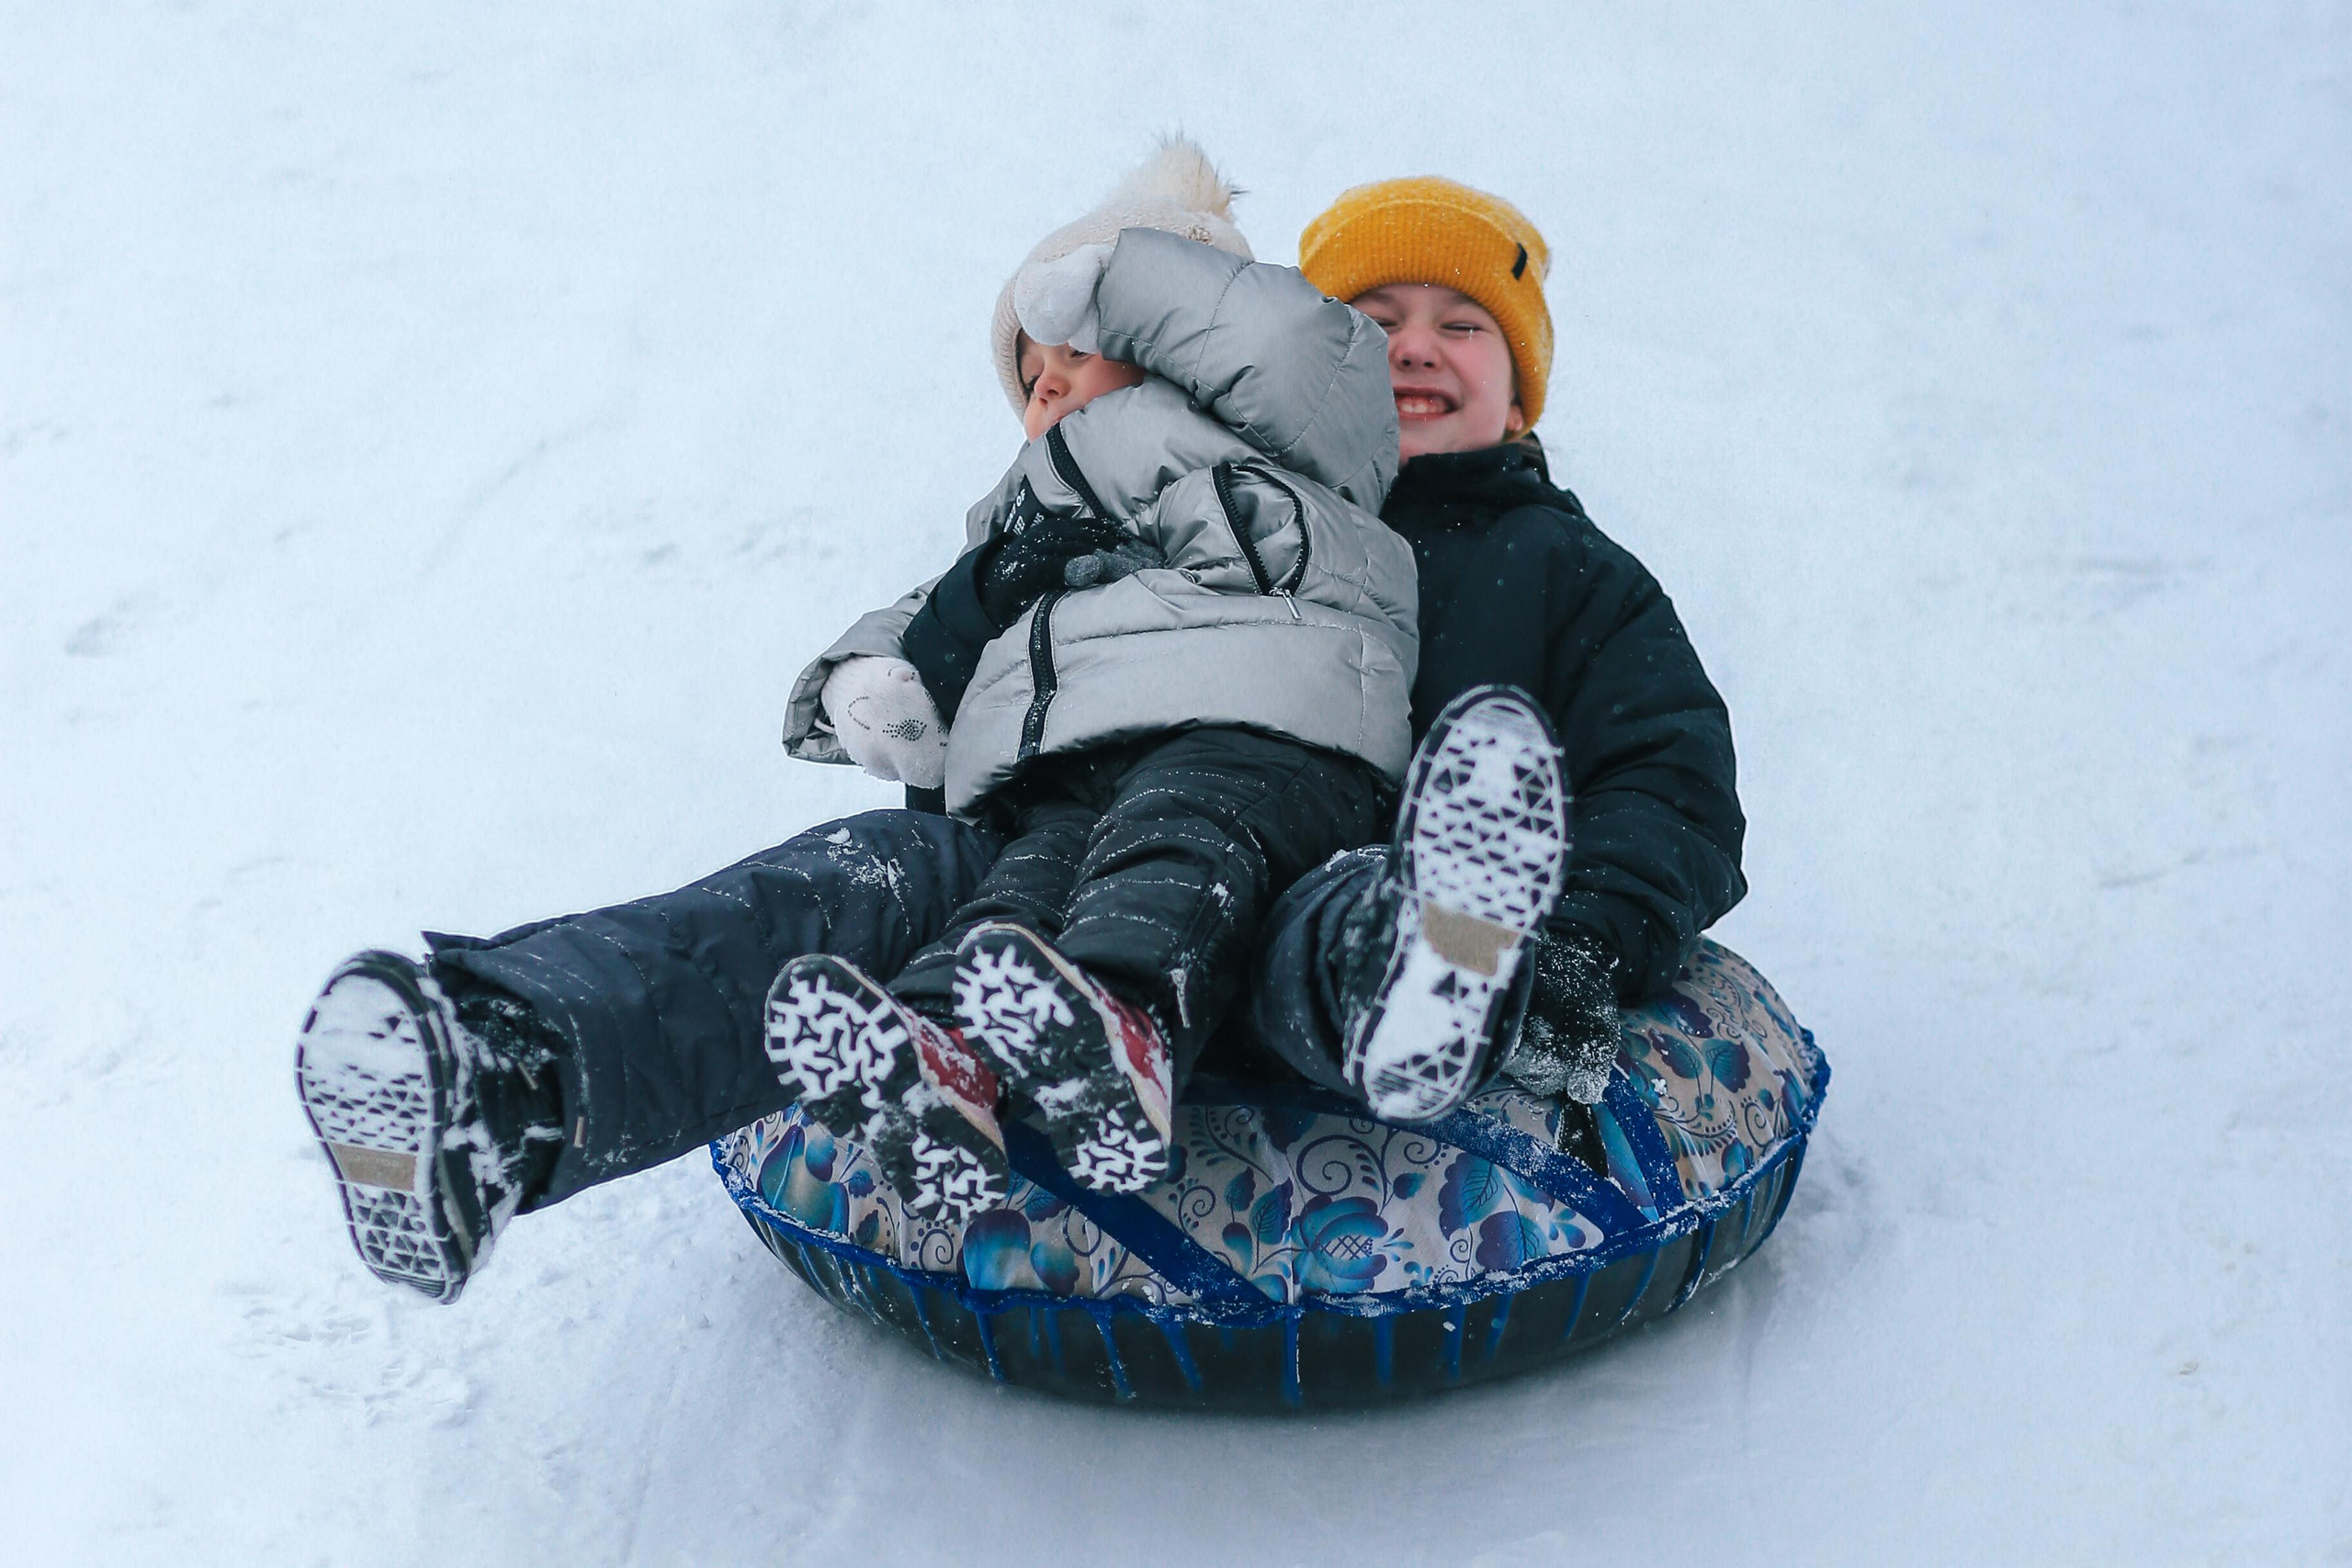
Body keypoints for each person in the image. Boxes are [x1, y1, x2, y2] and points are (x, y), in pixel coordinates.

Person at [757, 141, 1424, 1221]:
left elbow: (1278, 339)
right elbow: (935, 603)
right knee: (1022, 889)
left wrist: (1121, 268)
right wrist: (862, 673)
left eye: (1073, 346)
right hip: (1078, 763)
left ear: (1169, 342)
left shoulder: (1286, 425)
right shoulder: (1019, 507)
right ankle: (938, 1057)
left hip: (1253, 727)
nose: (1048, 379)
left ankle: (1126, 1025)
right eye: (1029, 376)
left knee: (1178, 839)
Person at [1241, 176, 1747, 1133]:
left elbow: (1666, 783)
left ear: (1519, 401)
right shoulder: (1228, 528)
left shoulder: (1570, 573)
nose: (1415, 345)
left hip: (1407, 924)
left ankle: (1440, 983)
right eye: (1372, 318)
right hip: (1213, 883)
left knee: (1365, 923)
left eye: (1464, 325)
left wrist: (1577, 944)